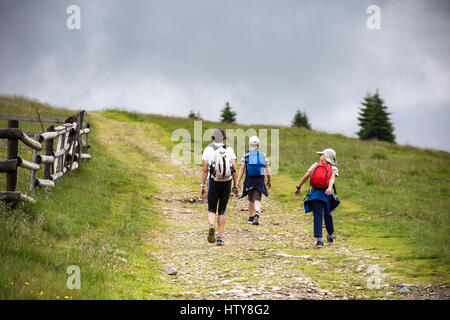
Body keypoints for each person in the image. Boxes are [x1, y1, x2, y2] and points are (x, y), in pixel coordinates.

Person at [201, 128, 238, 246]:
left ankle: (211, 225)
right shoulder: (229, 149)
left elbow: (205, 169)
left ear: (213, 137)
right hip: (227, 181)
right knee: (222, 209)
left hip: (213, 181)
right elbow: (234, 168)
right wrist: (236, 185)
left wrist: (202, 185)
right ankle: (220, 237)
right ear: (223, 137)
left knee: (212, 208)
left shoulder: (208, 149)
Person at [294, 148, 338, 248]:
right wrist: (330, 188)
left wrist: (298, 187)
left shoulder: (315, 165)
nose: (320, 156)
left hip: (315, 194)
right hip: (326, 194)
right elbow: (332, 179)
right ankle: (330, 235)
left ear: (325, 157)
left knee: (317, 216)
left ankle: (319, 240)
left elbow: (306, 176)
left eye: (322, 154)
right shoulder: (334, 168)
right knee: (328, 214)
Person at [236, 136, 272, 226]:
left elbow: (242, 169)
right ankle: (257, 212)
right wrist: (269, 180)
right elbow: (268, 169)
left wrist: (238, 180)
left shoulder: (246, 154)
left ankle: (251, 217)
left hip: (249, 179)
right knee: (257, 198)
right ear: (258, 144)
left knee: (250, 198)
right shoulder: (262, 155)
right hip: (259, 179)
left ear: (249, 144)